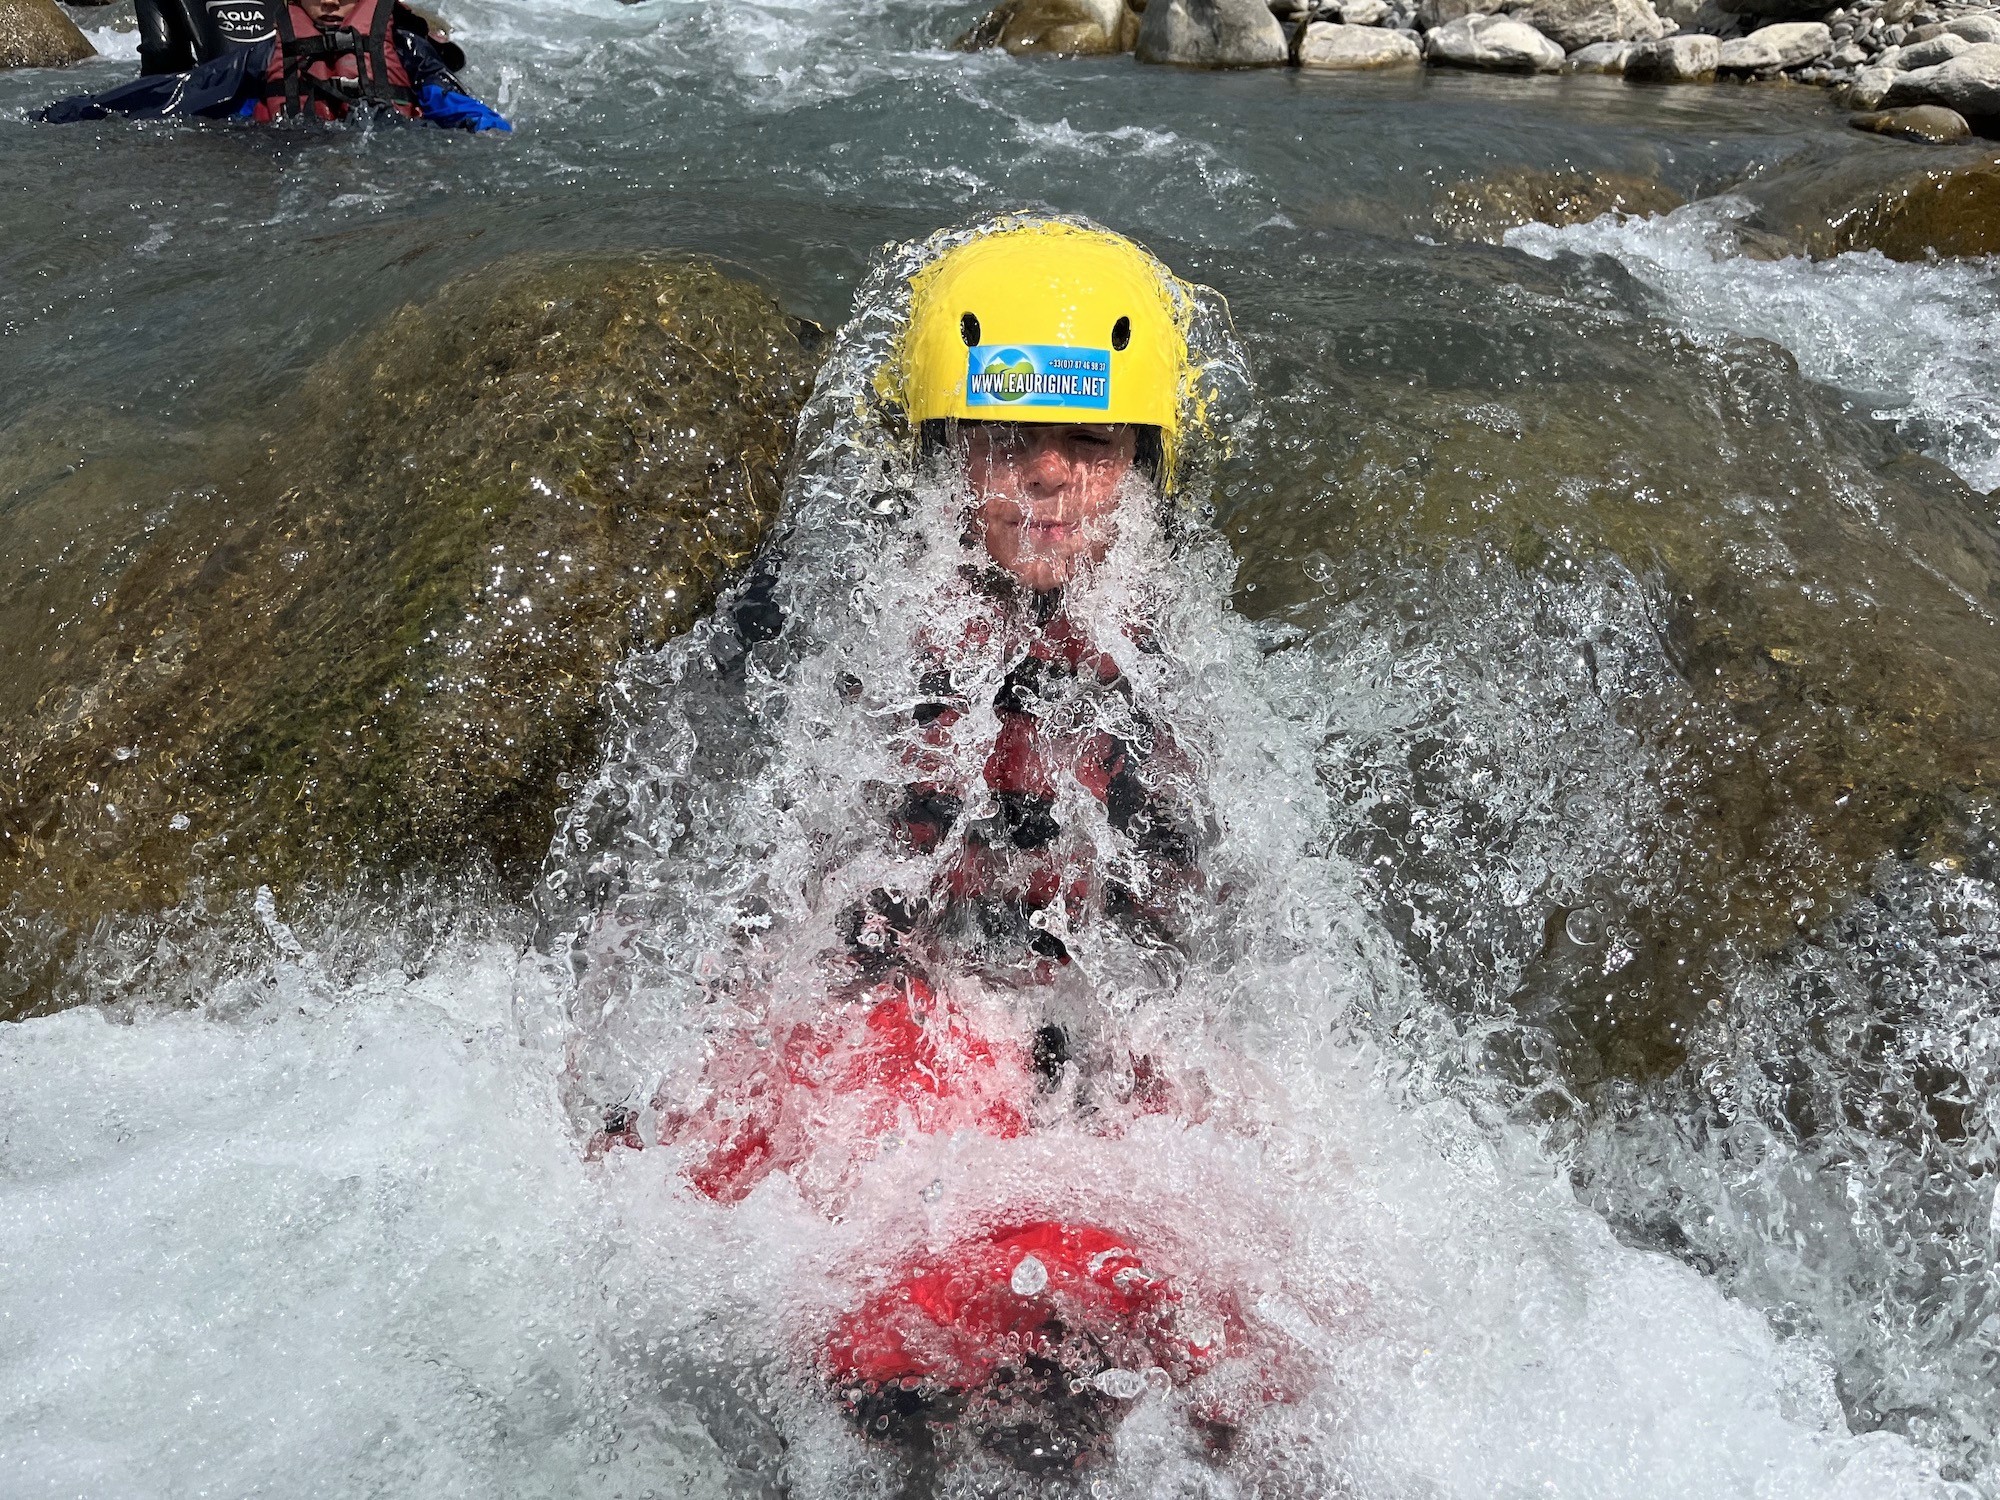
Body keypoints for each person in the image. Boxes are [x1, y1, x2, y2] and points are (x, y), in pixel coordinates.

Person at [599, 222, 1287, 1471]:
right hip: (887, 1008)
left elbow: (1191, 913)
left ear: (1144, 461)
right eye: (1004, 442)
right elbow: (764, 875)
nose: (1046, 479)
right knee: (910, 1321)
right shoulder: (843, 628)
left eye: (1090, 443)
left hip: (1063, 1020)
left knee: (1226, 1310)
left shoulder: (1170, 641)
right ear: (938, 455)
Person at [35, 0, 507, 131]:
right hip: (289, 158)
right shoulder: (266, 57)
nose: (329, 3)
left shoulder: (403, 48)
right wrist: (73, 110)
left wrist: (493, 133)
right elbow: (178, 93)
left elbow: (467, 110)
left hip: (391, 177)